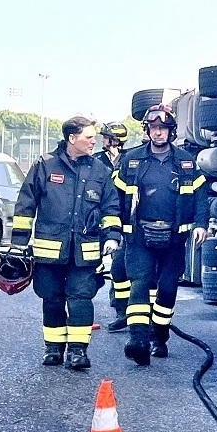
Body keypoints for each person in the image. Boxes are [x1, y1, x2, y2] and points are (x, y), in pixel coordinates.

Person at [10, 116, 122, 370]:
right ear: (72, 138)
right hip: (49, 251)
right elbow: (26, 204)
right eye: (88, 137)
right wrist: (18, 243)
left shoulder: (100, 171)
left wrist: (112, 237)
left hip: (85, 251)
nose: (94, 141)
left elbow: (111, 208)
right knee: (51, 298)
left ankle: (78, 352)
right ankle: (53, 349)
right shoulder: (45, 165)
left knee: (80, 299)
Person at [113, 104, 209, 365]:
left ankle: (160, 337)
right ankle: (138, 340)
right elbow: (115, 198)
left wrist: (201, 224)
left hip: (174, 238)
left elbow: (201, 196)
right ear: (147, 131)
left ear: (171, 131)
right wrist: (113, 229)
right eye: (154, 128)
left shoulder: (186, 162)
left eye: (163, 129)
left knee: (167, 289)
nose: (158, 133)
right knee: (140, 284)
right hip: (139, 236)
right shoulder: (131, 161)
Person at [91, 122, 136, 332]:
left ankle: (123, 311)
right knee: (95, 266)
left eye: (106, 137)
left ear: (114, 140)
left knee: (120, 265)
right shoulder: (96, 161)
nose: (102, 141)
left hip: (127, 219)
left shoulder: (130, 160)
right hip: (103, 217)